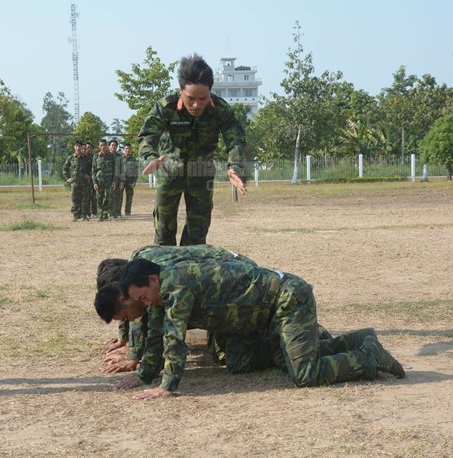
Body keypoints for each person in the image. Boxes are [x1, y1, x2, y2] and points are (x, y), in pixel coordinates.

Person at [94, 247, 405, 400]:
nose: (146, 305)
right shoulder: (160, 290)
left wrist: (166, 387)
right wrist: (144, 374)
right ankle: (358, 340)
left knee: (305, 375)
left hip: (286, 299)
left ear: (152, 280)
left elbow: (174, 340)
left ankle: (367, 356)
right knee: (249, 361)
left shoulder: (175, 285)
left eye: (144, 298)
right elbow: (156, 337)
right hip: (258, 314)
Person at [138, 53, 247, 246]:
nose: (197, 105)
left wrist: (234, 167)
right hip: (169, 175)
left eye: (203, 98)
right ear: (181, 90)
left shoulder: (221, 110)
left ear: (211, 91)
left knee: (197, 236)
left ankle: (191, 274)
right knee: (164, 234)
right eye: (191, 98)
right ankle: (163, 275)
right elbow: (148, 135)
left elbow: (235, 139)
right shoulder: (166, 107)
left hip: (201, 176)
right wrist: (149, 158)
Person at [62, 140, 90, 221]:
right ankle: (76, 215)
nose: (78, 147)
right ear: (74, 147)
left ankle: (84, 215)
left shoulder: (87, 158)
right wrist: (67, 178)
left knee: (85, 199)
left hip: (84, 182)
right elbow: (65, 169)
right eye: (76, 146)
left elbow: (92, 168)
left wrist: (89, 176)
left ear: (82, 147)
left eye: (79, 146)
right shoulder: (70, 158)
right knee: (75, 199)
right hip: (74, 183)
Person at [92, 138, 115, 221]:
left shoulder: (111, 156)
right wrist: (94, 182)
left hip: (109, 181)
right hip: (99, 181)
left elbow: (114, 169)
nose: (103, 147)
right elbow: (93, 171)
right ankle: (99, 215)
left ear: (106, 146)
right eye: (101, 145)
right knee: (99, 198)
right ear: (99, 146)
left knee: (108, 197)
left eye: (104, 145)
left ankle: (106, 213)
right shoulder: (96, 157)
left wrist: (114, 181)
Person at [119, 143, 139, 216]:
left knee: (129, 197)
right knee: (119, 197)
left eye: (129, 149)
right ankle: (118, 212)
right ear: (124, 150)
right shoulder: (120, 158)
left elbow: (136, 171)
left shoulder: (133, 159)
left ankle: (128, 211)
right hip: (121, 181)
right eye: (126, 148)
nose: (128, 150)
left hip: (130, 181)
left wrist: (134, 181)